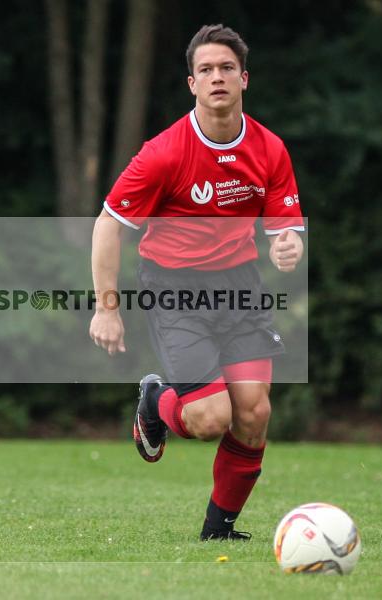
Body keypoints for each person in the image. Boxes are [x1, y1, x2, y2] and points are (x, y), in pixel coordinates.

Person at [89, 24, 305, 541]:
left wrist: (289, 246)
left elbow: (286, 228)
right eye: (205, 70)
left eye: (226, 68)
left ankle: (218, 530)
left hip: (240, 287)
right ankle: (155, 402)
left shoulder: (270, 149)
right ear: (191, 83)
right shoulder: (164, 152)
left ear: (244, 78)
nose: (217, 78)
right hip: (175, 288)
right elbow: (107, 224)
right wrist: (107, 307)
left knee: (253, 413)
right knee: (210, 418)